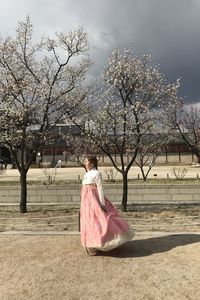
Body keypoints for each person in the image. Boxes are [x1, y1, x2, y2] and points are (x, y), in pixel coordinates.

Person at [80, 155, 135, 255]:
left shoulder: (97, 173)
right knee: (89, 221)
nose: (85, 163)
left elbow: (100, 189)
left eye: (86, 161)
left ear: (92, 163)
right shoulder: (87, 174)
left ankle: (106, 241)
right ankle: (93, 243)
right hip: (86, 201)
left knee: (103, 220)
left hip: (94, 200)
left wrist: (102, 203)